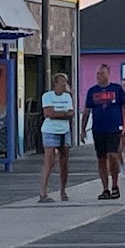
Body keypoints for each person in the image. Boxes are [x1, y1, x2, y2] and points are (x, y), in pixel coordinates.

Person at [81, 64, 125, 201]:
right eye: (97, 74)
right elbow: (86, 111)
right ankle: (105, 188)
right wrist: (82, 129)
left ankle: (115, 185)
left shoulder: (117, 89)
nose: (99, 76)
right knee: (101, 158)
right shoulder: (92, 91)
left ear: (108, 74)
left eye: (102, 74)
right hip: (98, 128)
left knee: (113, 155)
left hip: (114, 128)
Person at [38, 72, 74, 203]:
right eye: (62, 82)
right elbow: (48, 113)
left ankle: (63, 190)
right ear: (55, 84)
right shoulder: (47, 96)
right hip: (50, 130)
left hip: (64, 130)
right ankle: (43, 192)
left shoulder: (68, 97)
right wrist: (64, 114)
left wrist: (59, 113)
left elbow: (71, 113)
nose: (65, 84)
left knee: (64, 162)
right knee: (49, 161)